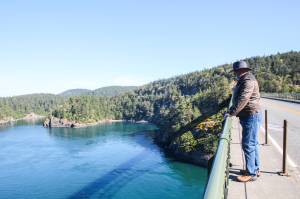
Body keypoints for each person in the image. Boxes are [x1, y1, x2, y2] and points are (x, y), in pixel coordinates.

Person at [228, 60, 262, 182]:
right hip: (249, 115)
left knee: (248, 144)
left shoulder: (247, 80)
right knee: (253, 143)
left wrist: (232, 113)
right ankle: (255, 169)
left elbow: (243, 99)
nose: (235, 73)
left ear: (240, 70)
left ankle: (251, 173)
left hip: (250, 115)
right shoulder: (245, 79)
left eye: (236, 71)